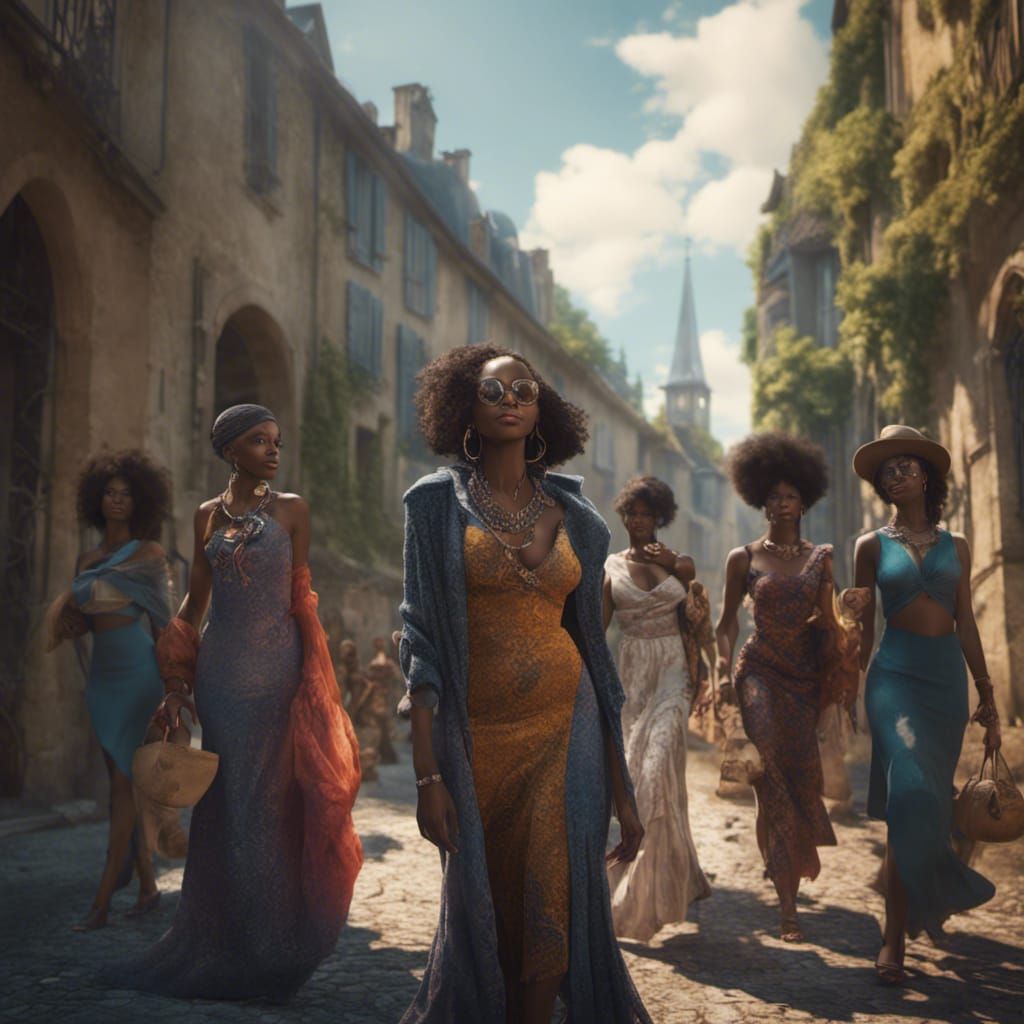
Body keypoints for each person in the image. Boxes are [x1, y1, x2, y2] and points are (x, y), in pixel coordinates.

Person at [399, 346, 651, 1024]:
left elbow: (595, 654)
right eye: (492, 391)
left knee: (551, 900)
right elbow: (419, 637)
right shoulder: (433, 505)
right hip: (475, 738)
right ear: (465, 408)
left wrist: (623, 789)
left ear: (542, 411)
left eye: (524, 390)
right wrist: (427, 775)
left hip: (567, 730)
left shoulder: (578, 519)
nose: (509, 400)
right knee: (490, 907)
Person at [104, 404, 362, 1000]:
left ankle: (272, 949)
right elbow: (195, 603)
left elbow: (302, 598)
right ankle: (226, 941)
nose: (273, 451)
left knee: (269, 805)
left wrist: (312, 681)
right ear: (230, 450)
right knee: (227, 808)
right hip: (221, 675)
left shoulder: (293, 510)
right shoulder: (205, 516)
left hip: (278, 674)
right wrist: (176, 681)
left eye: (277, 441)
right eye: (259, 441)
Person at [852, 425, 997, 984]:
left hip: (945, 684)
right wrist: (846, 684)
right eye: (887, 470)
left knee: (927, 802)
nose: (895, 474)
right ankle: (894, 939)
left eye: (905, 466)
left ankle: (919, 894)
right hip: (893, 677)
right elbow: (862, 630)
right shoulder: (870, 546)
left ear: (926, 477)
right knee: (909, 795)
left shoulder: (956, 545)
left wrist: (986, 693)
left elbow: (967, 623)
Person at [715, 432, 863, 942]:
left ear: (804, 502)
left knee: (797, 782)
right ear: (762, 502)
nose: (782, 502)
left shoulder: (820, 558)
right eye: (774, 495)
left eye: (790, 495)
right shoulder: (742, 557)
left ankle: (778, 859)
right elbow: (726, 624)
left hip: (803, 680)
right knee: (772, 776)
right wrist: (723, 670)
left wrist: (849, 617)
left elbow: (830, 622)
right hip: (757, 672)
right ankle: (788, 908)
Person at [47, 451, 174, 930]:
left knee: (123, 784)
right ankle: (147, 886)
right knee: (122, 785)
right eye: (109, 493)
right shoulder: (86, 559)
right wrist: (66, 622)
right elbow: (83, 617)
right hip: (102, 678)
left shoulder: (150, 553)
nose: (116, 500)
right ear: (96, 500)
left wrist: (174, 687)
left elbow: (163, 623)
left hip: (140, 675)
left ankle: (100, 903)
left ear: (139, 501)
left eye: (125, 494)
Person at [602, 475, 710, 941]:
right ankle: (666, 883)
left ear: (659, 517)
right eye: (633, 512)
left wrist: (676, 569)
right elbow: (598, 631)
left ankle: (639, 903)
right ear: (624, 515)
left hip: (674, 672)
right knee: (636, 778)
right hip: (633, 678)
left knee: (656, 769)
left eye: (648, 513)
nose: (639, 520)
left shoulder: (679, 563)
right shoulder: (609, 568)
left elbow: (698, 621)